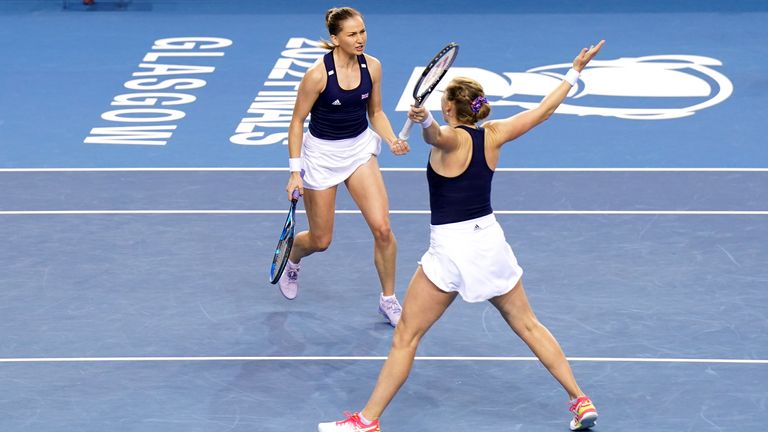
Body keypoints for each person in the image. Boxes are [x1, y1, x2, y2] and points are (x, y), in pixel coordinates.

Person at [317, 40, 606, 431]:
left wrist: (424, 123)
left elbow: (439, 137)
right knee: (528, 325)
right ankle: (579, 398)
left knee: (406, 337)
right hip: (490, 241)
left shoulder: (450, 137)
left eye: (442, 103)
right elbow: (543, 111)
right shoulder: (496, 133)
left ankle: (366, 422)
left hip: (451, 251)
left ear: (450, 107)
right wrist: (574, 70)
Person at [279, 7, 410, 327]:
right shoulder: (317, 75)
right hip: (321, 156)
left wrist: (391, 139)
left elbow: (375, 112)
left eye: (362, 31)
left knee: (382, 228)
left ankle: (388, 299)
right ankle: (294, 253)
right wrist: (295, 171)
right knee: (321, 240)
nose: (360, 39)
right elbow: (297, 122)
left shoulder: (373, 67)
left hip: (359, 151)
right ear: (335, 39)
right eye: (352, 34)